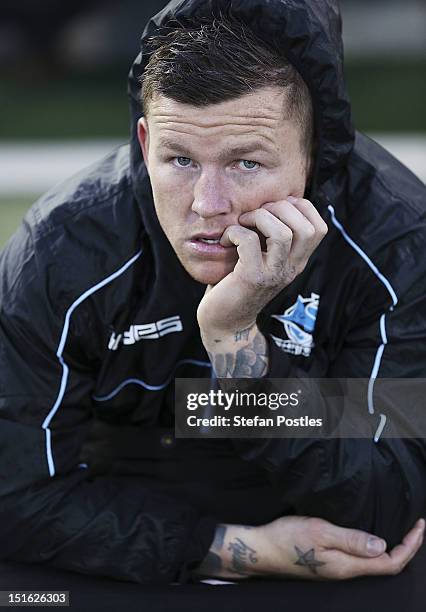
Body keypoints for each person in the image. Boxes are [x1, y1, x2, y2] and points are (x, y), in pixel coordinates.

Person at [0, 0, 425, 586]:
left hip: (318, 531)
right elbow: (15, 494)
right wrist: (234, 549)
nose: (207, 204)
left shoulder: (395, 243)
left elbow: (383, 504)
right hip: (124, 522)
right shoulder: (63, 251)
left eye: (246, 163)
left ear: (315, 152)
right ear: (145, 143)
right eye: (179, 159)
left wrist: (236, 344)